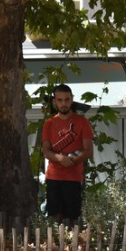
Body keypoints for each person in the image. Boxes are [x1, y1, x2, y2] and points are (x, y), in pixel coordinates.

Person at [42, 84, 94, 227]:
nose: (63, 103)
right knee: (54, 216)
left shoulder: (82, 122)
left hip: (73, 177)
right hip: (53, 176)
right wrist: (60, 159)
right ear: (54, 101)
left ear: (72, 100)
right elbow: (46, 151)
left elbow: (88, 150)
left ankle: (73, 247)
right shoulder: (48, 123)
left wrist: (72, 161)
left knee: (73, 218)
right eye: (60, 100)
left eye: (66, 99)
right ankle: (54, 247)